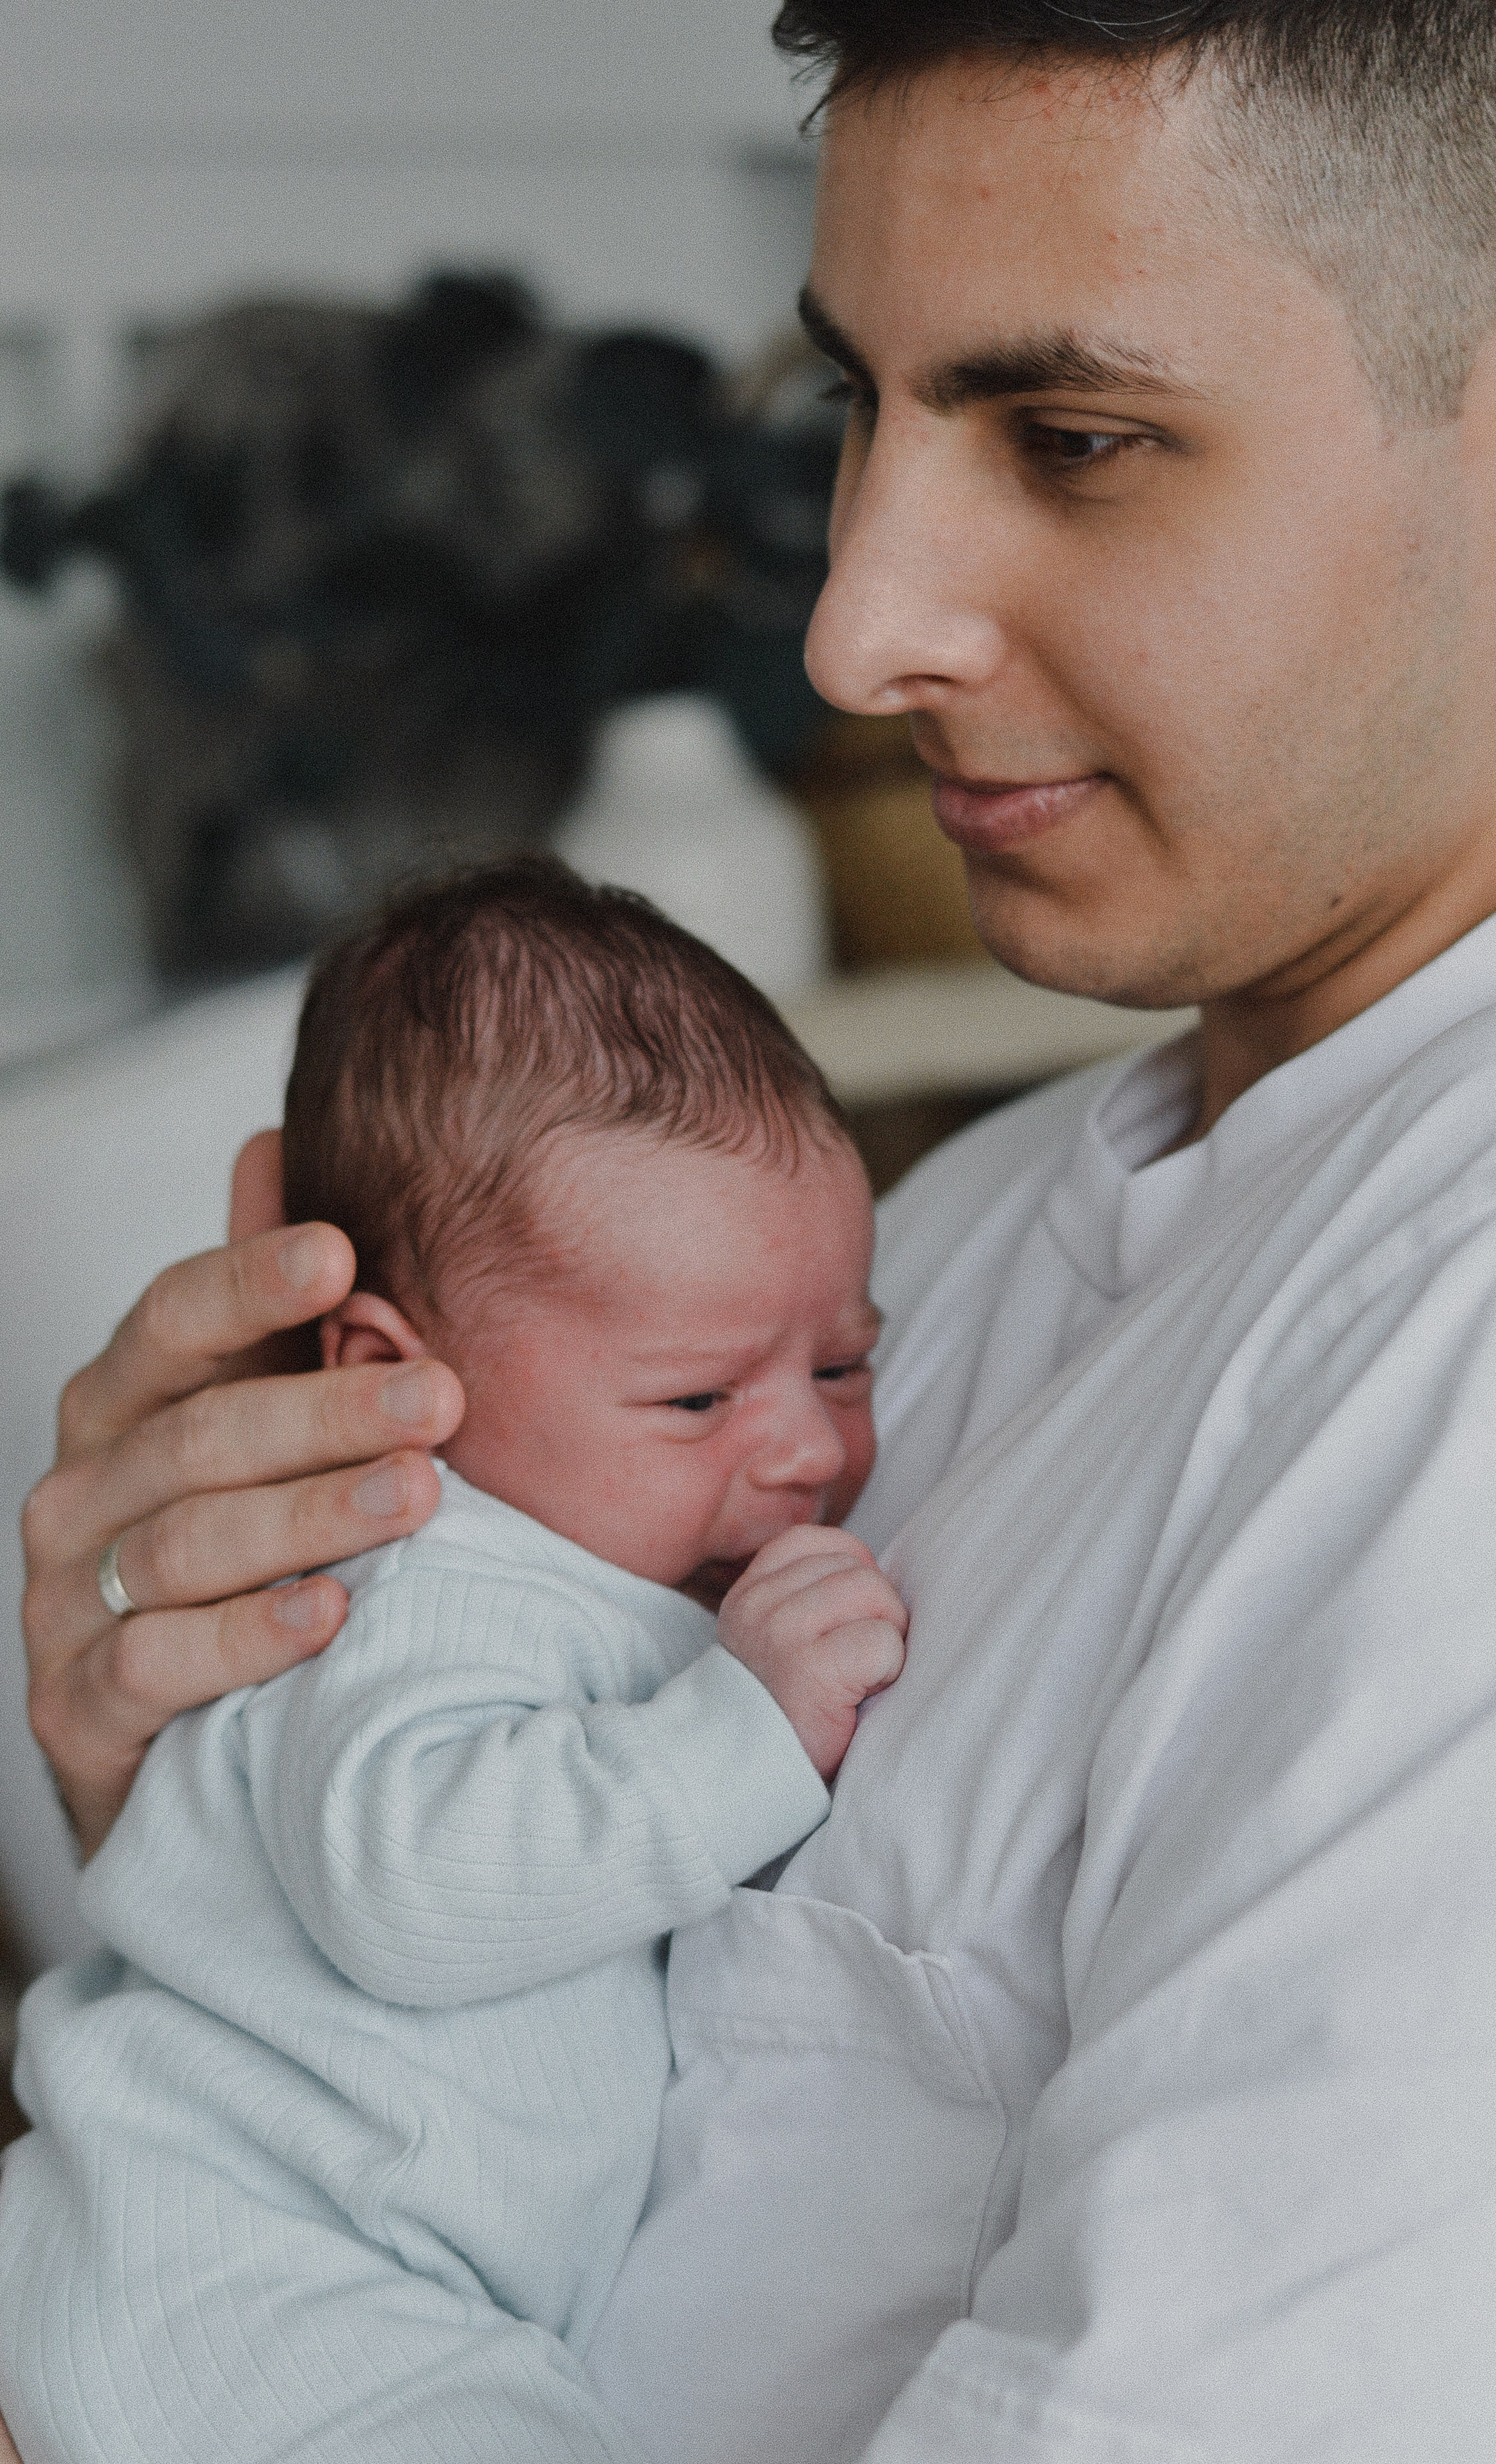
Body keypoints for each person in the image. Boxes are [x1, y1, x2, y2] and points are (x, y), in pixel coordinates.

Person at [14, 0, 1496, 2454]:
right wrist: (216, 1800)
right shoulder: (951, 1233)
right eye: (858, 410)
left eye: (1071, 436)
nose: (855, 630)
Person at [0, 858, 905, 2463]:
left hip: (331, 2285)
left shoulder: (574, 1556)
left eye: (840, 1363)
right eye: (696, 1398)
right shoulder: (432, 1577)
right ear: (393, 1375)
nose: (803, 1449)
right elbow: (406, 1882)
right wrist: (743, 1734)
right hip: (276, 2288)